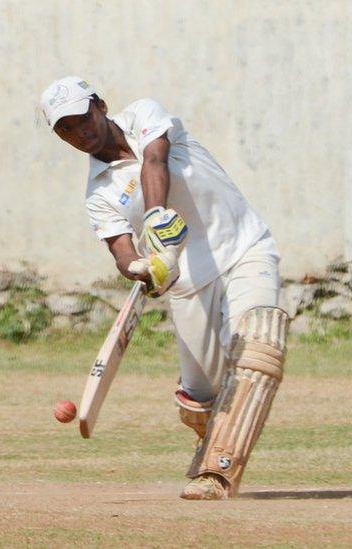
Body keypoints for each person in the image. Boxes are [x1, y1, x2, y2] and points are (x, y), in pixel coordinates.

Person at [39, 76, 290, 500]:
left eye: (82, 118)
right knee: (201, 400)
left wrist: (155, 215)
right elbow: (120, 251)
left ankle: (216, 472)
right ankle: (208, 436)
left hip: (243, 247)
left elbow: (155, 160)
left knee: (259, 347)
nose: (78, 132)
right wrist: (141, 267)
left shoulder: (143, 115)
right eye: (65, 128)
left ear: (100, 105)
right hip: (188, 283)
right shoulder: (98, 193)